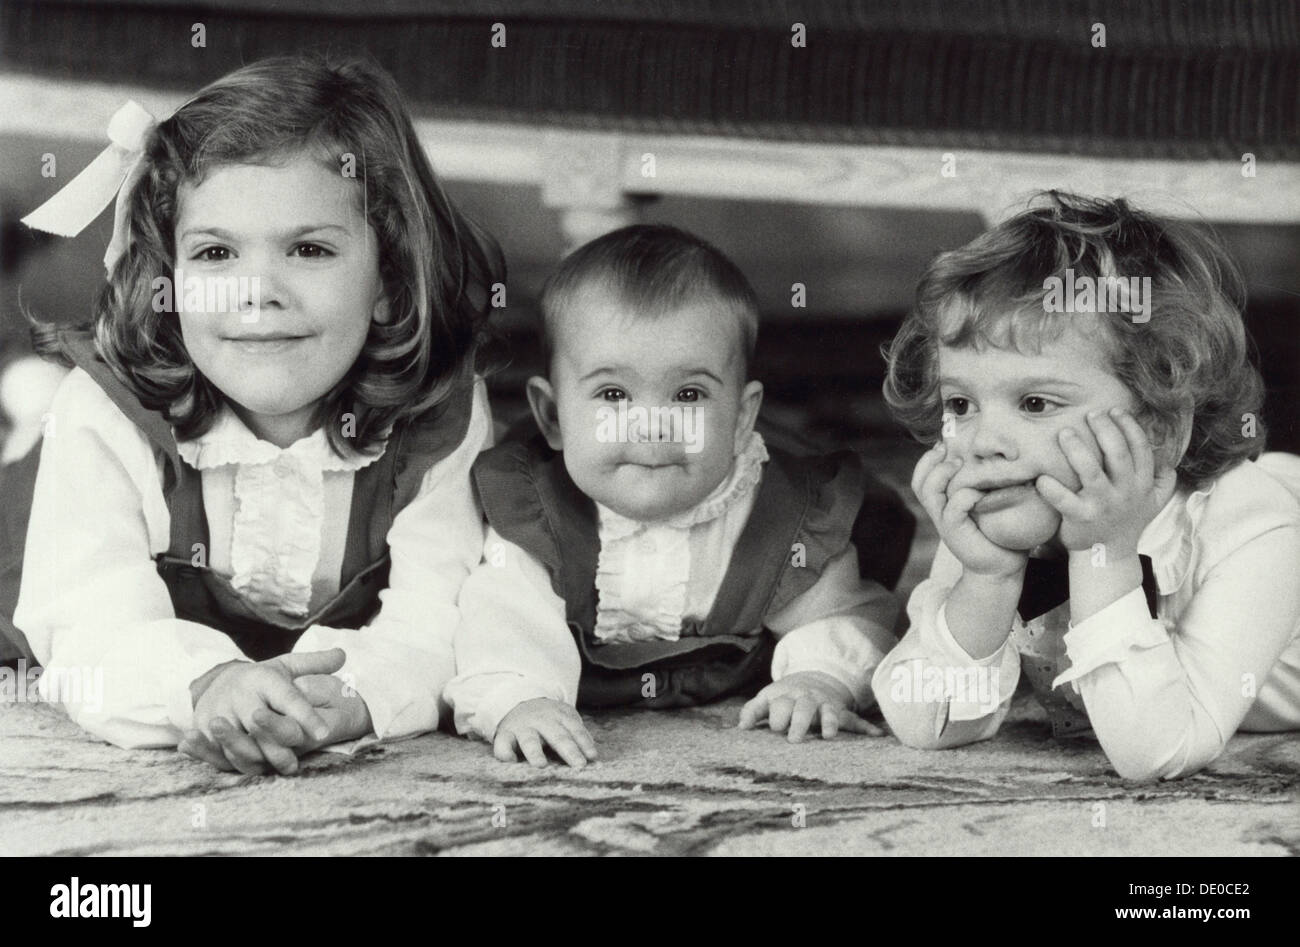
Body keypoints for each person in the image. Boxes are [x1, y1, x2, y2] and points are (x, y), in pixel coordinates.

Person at [10, 55, 503, 774]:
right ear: (167, 279)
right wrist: (205, 682)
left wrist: (353, 696)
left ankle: (21, 403)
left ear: (390, 282)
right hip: (31, 535)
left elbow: (439, 617)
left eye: (308, 248)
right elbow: (88, 619)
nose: (255, 293)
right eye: (215, 253)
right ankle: (25, 413)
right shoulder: (112, 415)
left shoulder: (438, 420)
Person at [445, 224, 911, 768]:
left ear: (741, 417)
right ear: (552, 416)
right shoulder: (534, 515)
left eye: (688, 394)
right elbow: (501, 618)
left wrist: (819, 678)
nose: (652, 428)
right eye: (613, 394)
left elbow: (845, 615)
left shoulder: (780, 516)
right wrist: (517, 698)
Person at [872, 191, 1300, 780]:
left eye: (1036, 402)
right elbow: (926, 724)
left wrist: (1106, 556)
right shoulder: (1001, 509)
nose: (981, 441)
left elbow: (1158, 750)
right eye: (961, 403)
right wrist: (986, 580)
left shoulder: (1258, 534)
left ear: (1159, 428)